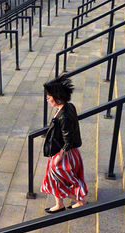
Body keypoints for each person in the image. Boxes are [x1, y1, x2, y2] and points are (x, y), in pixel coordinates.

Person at [41, 75, 88, 214]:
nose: (47, 99)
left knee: (56, 177)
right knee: (54, 179)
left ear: (58, 98)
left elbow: (67, 141)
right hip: (66, 152)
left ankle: (79, 201)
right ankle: (59, 204)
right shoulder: (68, 107)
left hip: (64, 154)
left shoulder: (64, 115)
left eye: (49, 97)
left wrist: (58, 158)